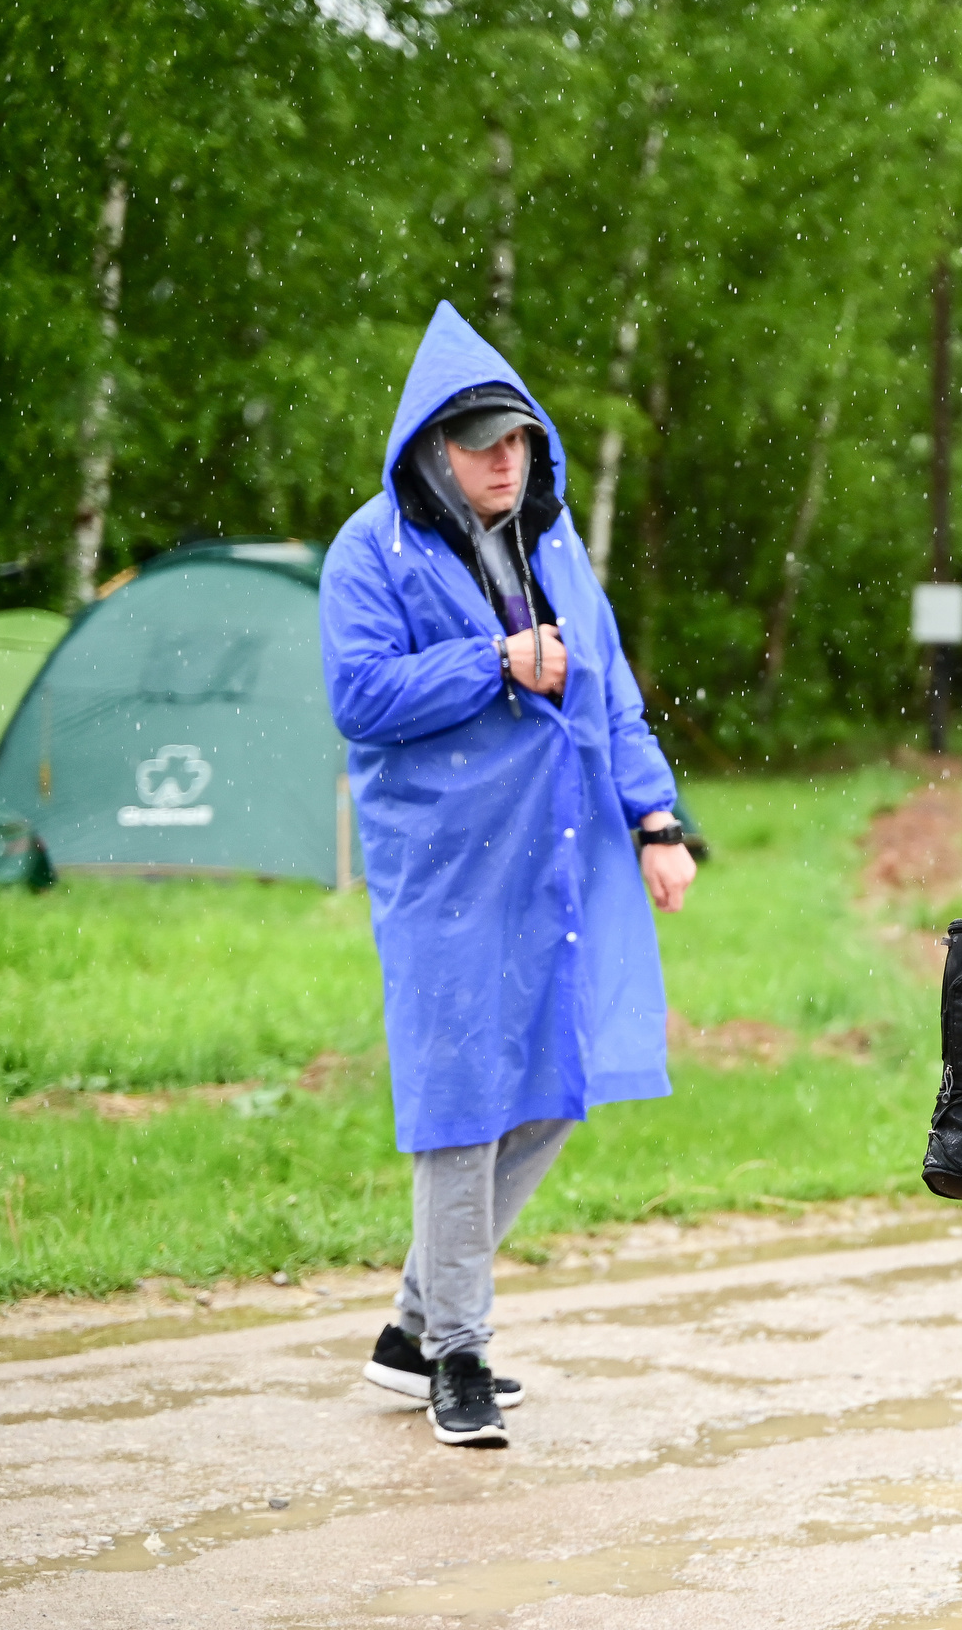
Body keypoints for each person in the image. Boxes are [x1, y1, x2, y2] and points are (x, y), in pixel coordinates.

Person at [320, 301, 699, 1448]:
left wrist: (657, 815)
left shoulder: (557, 543)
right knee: (460, 1104)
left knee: (555, 1079)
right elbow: (361, 699)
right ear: (432, 449)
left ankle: (410, 1327)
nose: (501, 458)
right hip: (444, 868)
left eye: (517, 437)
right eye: (479, 439)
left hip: (560, 856)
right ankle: (460, 1355)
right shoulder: (368, 550)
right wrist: (490, 662)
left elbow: (611, 690)